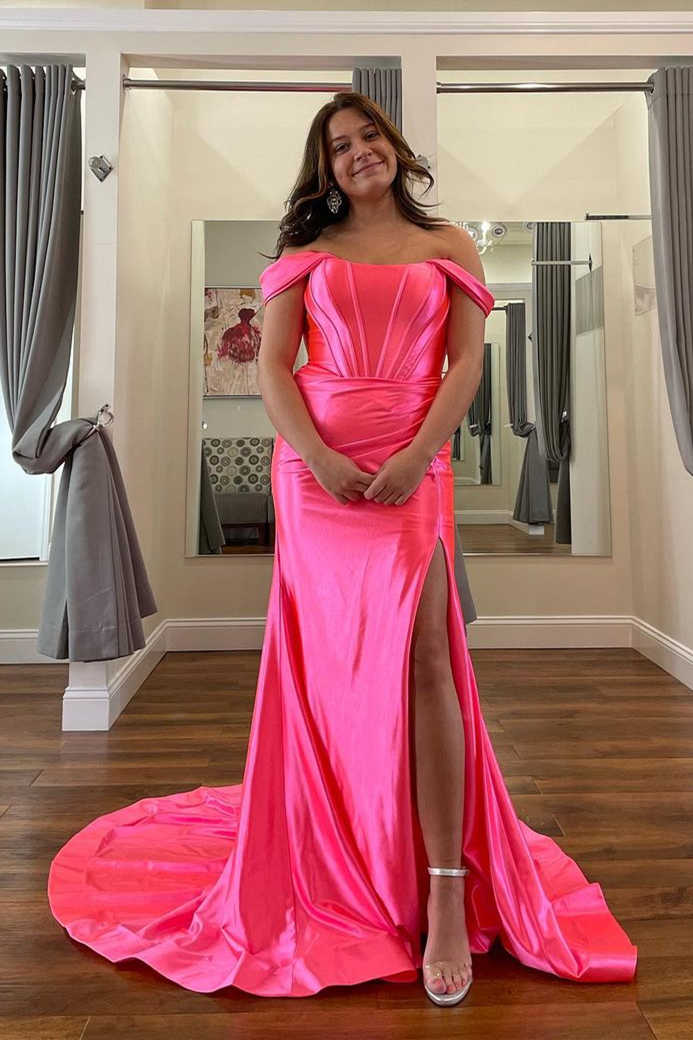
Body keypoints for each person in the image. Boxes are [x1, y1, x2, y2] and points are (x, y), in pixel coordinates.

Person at [46, 91, 637, 1003]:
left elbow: (466, 364)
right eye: (338, 145)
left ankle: (444, 888)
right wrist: (320, 461)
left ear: (393, 147)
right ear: (323, 168)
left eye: (369, 136)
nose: (359, 151)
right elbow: (273, 368)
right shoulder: (306, 252)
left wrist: (419, 455)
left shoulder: (448, 244)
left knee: (429, 662)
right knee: (325, 672)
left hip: (413, 469)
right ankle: (334, 853)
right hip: (316, 478)